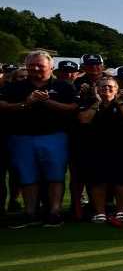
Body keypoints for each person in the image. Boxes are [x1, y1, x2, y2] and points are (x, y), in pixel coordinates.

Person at [0, 50, 80, 227]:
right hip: (22, 138)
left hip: (54, 137)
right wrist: (24, 104)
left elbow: (73, 108)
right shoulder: (15, 86)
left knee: (55, 176)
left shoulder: (63, 86)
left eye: (40, 65)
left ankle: (54, 212)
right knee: (27, 176)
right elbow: (3, 105)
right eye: (31, 65)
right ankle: (30, 213)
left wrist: (47, 102)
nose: (35, 68)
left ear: (51, 67)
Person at [77, 75, 123, 225]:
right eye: (103, 86)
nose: (107, 89)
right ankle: (100, 213)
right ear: (95, 89)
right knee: (97, 182)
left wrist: (119, 101)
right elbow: (84, 119)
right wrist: (97, 102)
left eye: (111, 86)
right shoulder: (88, 102)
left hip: (121, 148)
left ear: (117, 89)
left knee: (122, 181)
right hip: (95, 149)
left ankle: (122, 211)